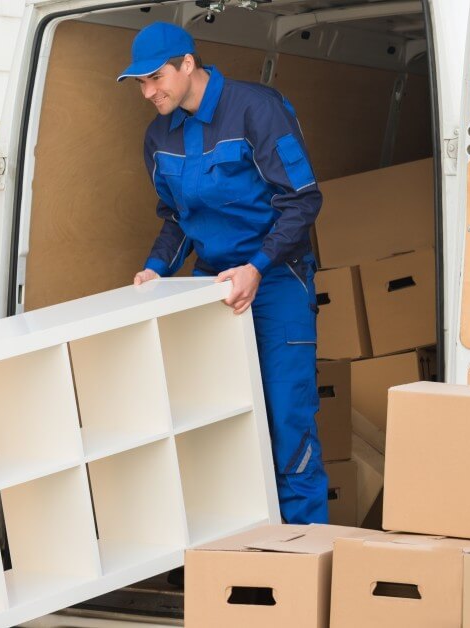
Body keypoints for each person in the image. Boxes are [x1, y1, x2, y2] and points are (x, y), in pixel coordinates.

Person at [121, 22, 328, 524]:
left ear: (187, 64)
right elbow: (176, 218)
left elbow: (303, 200)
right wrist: (155, 271)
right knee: (219, 426)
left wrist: (257, 267)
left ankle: (303, 559)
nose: (149, 93)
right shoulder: (157, 136)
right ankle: (237, 556)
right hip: (210, 286)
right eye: (141, 83)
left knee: (287, 420)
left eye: (155, 79)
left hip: (276, 280)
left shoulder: (257, 110)